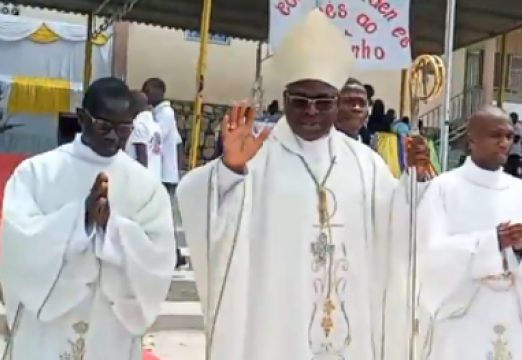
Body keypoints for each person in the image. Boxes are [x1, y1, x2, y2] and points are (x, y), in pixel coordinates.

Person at [177, 10, 431, 360]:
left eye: (323, 101)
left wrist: (415, 179)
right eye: (299, 100)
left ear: (337, 103)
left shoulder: (364, 164)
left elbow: (397, 225)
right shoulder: (258, 155)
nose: (310, 111)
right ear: (284, 98)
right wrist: (230, 168)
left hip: (348, 320)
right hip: (276, 326)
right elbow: (197, 200)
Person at [0, 77, 177, 360]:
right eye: (105, 126)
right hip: (49, 327)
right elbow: (18, 240)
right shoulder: (37, 172)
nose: (113, 137)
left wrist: (112, 228)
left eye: (124, 129)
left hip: (110, 325)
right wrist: (80, 219)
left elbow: (159, 254)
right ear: (82, 118)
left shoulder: (146, 186)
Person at [416, 106, 522, 360]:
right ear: (471, 141)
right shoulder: (444, 188)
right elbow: (429, 253)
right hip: (462, 314)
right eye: (495, 135)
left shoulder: (520, 191)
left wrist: (521, 250)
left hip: (509, 311)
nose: (504, 143)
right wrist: (494, 242)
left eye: (510, 137)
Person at [142, 78, 183, 195]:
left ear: (159, 92)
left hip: (165, 173)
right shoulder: (157, 112)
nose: (145, 95)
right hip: (159, 172)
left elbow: (156, 136)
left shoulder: (166, 113)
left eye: (147, 91)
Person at [125, 90, 162, 175]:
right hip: (155, 175)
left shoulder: (138, 125)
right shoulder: (155, 125)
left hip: (140, 178)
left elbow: (142, 157)